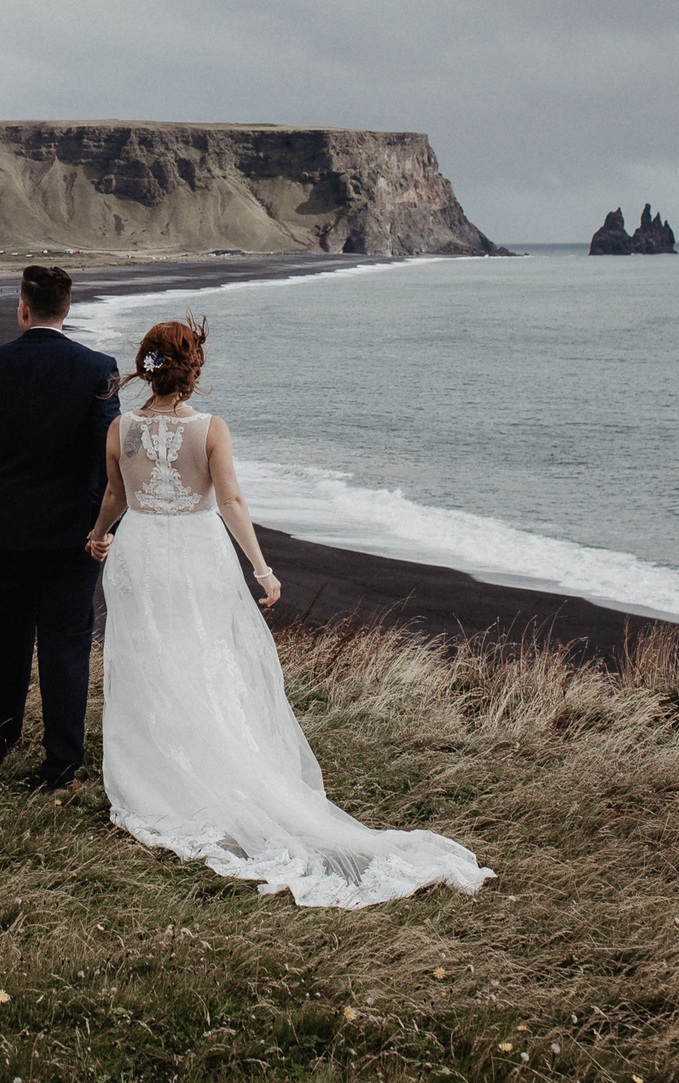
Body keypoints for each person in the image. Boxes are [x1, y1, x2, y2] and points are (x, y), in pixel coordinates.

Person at [84, 317, 491, 908]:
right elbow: (230, 500)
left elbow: (116, 496)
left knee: (150, 661)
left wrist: (100, 535)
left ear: (146, 367)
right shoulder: (210, 429)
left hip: (141, 554)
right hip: (198, 556)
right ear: (192, 369)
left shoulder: (121, 428)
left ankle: (159, 779)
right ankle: (210, 765)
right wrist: (262, 569)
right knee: (204, 658)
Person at [0, 265, 122, 791]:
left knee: (5, 644)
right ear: (67, 310)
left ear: (22, 308)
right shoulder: (98, 368)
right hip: (75, 538)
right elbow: (111, 460)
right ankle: (61, 767)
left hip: (3, 533)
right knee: (67, 648)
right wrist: (102, 528)